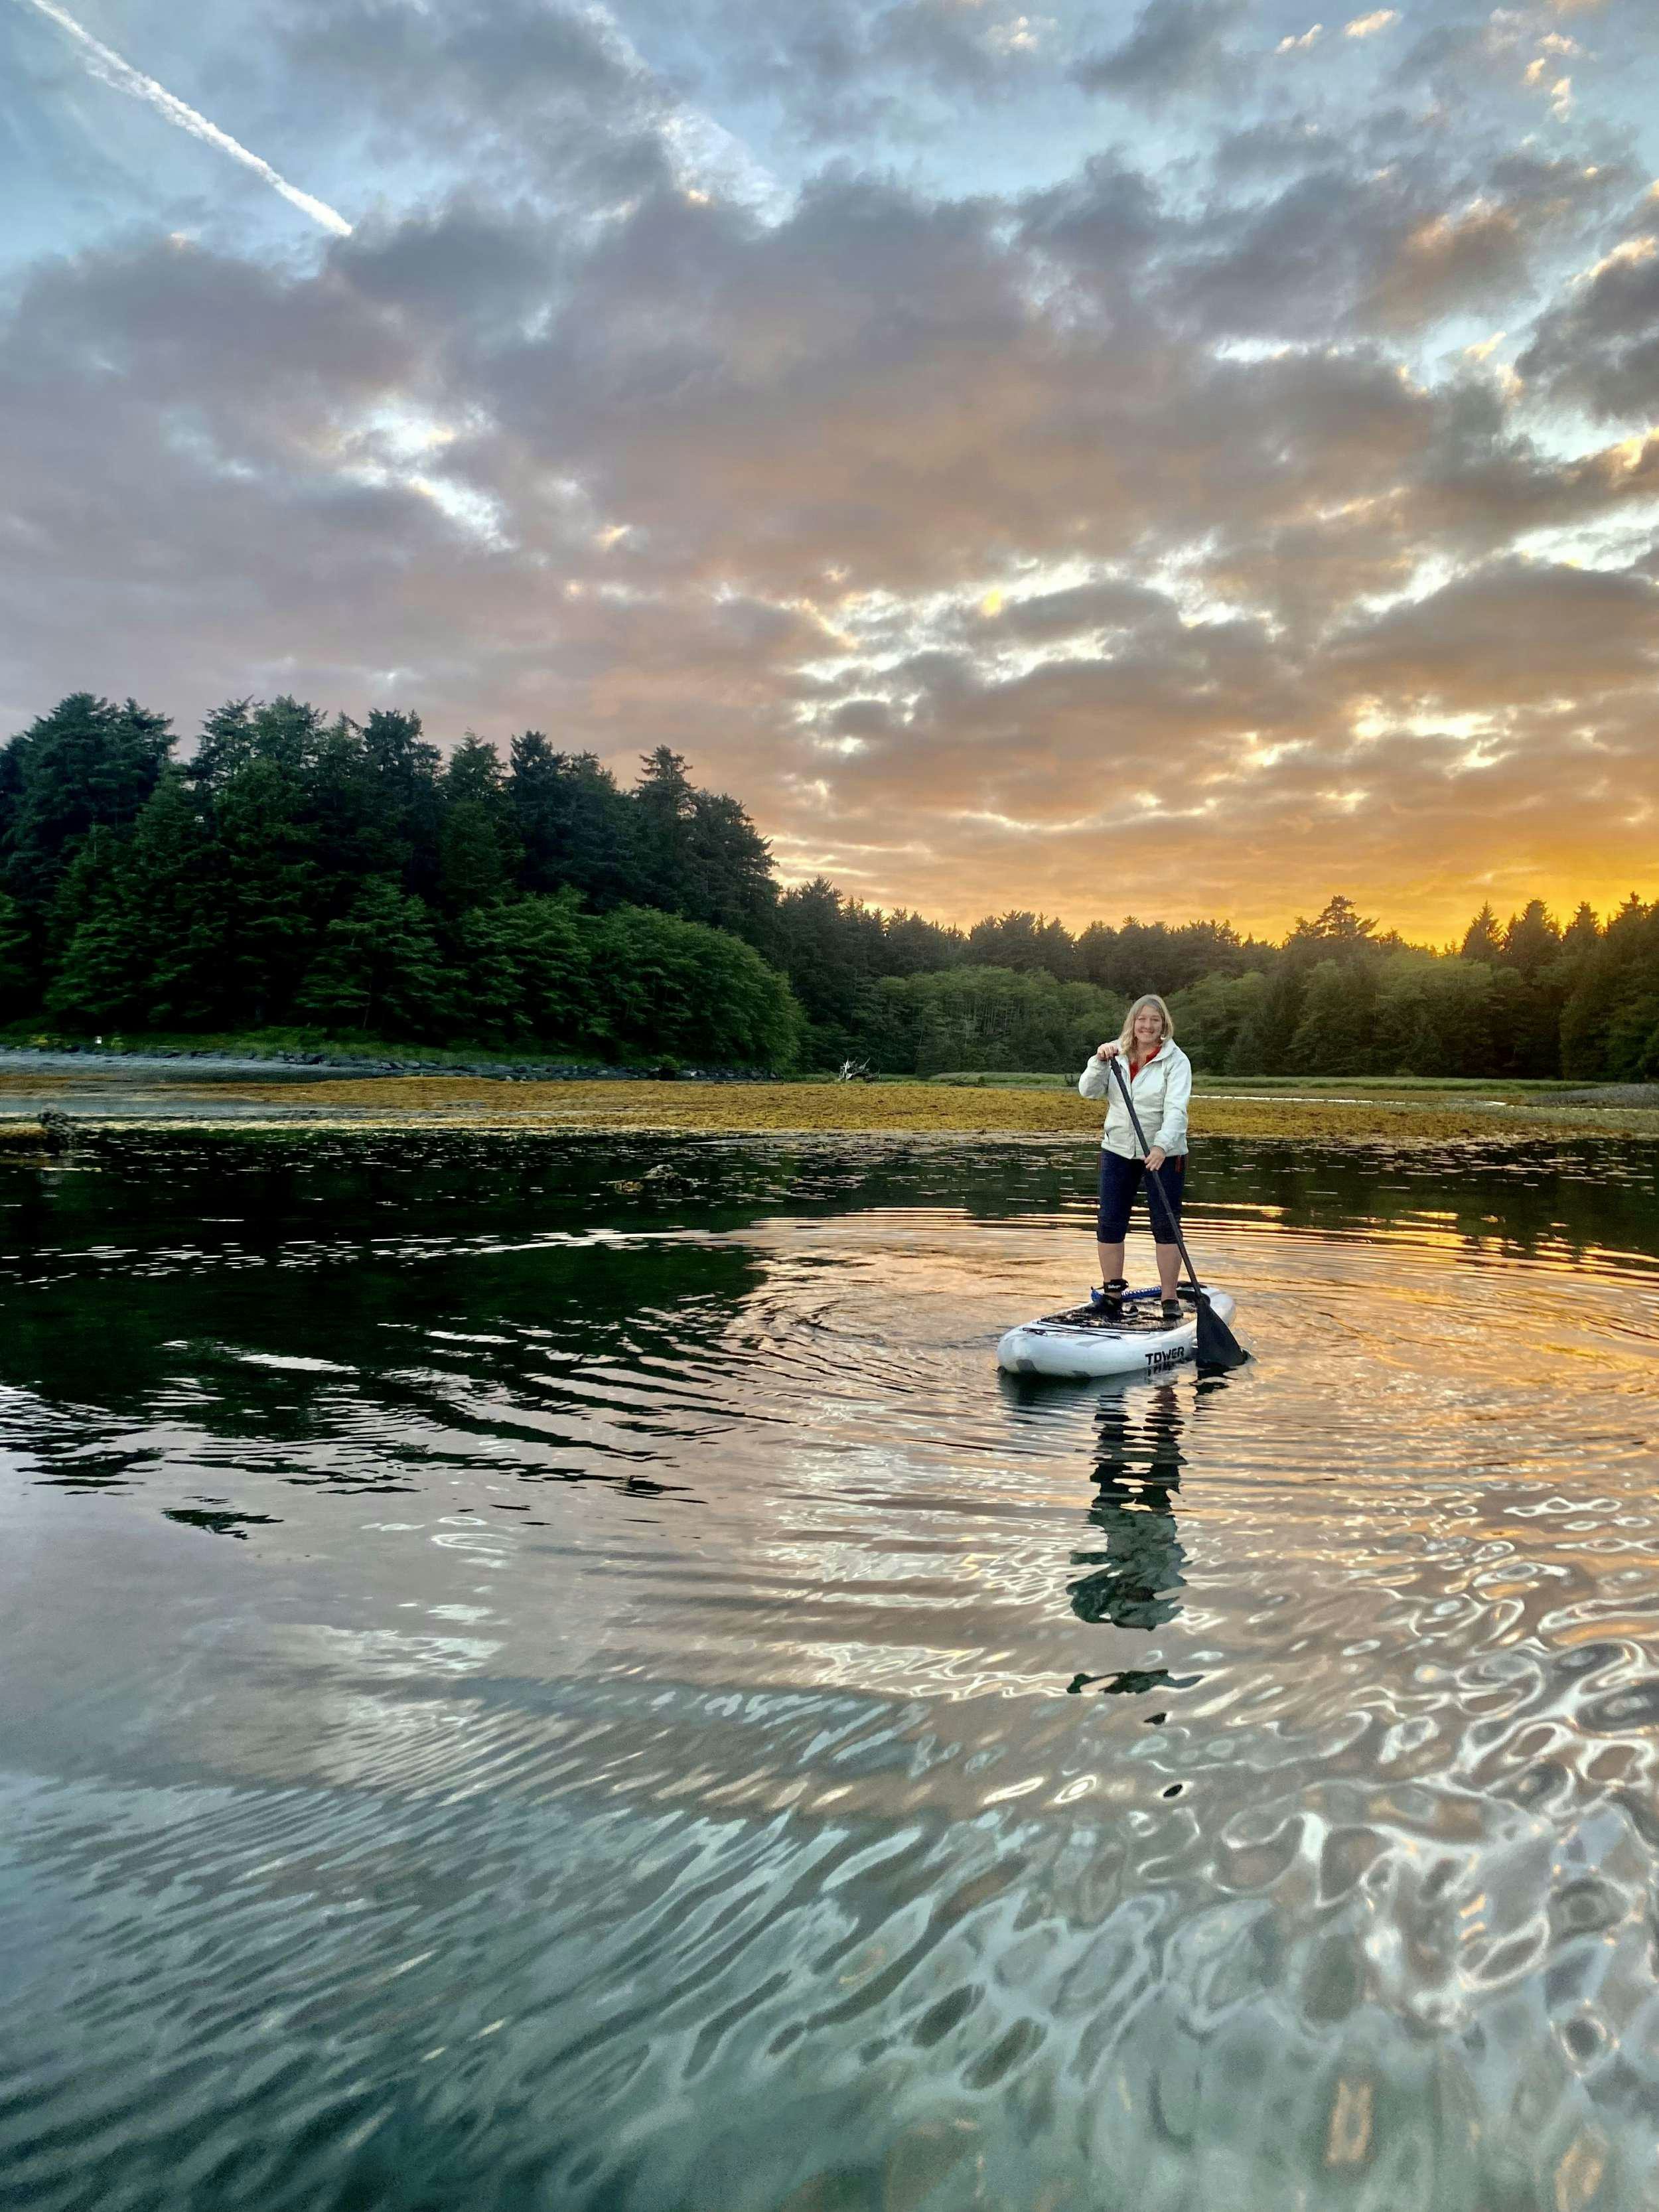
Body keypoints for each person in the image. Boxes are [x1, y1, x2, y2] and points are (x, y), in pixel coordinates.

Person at [1077, 992, 1192, 1322]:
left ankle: (1169, 1298)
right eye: (1142, 1019)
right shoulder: (1113, 1054)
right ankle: (1112, 1294)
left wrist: (1161, 1146)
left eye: (1154, 1020)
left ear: (1163, 1024)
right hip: (1118, 1149)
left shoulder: (1176, 1061)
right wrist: (1098, 1061)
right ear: (1133, 1022)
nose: (1148, 1025)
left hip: (1164, 1153)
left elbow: (1176, 1109)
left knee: (1166, 1225)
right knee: (1110, 1221)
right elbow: (1088, 1091)